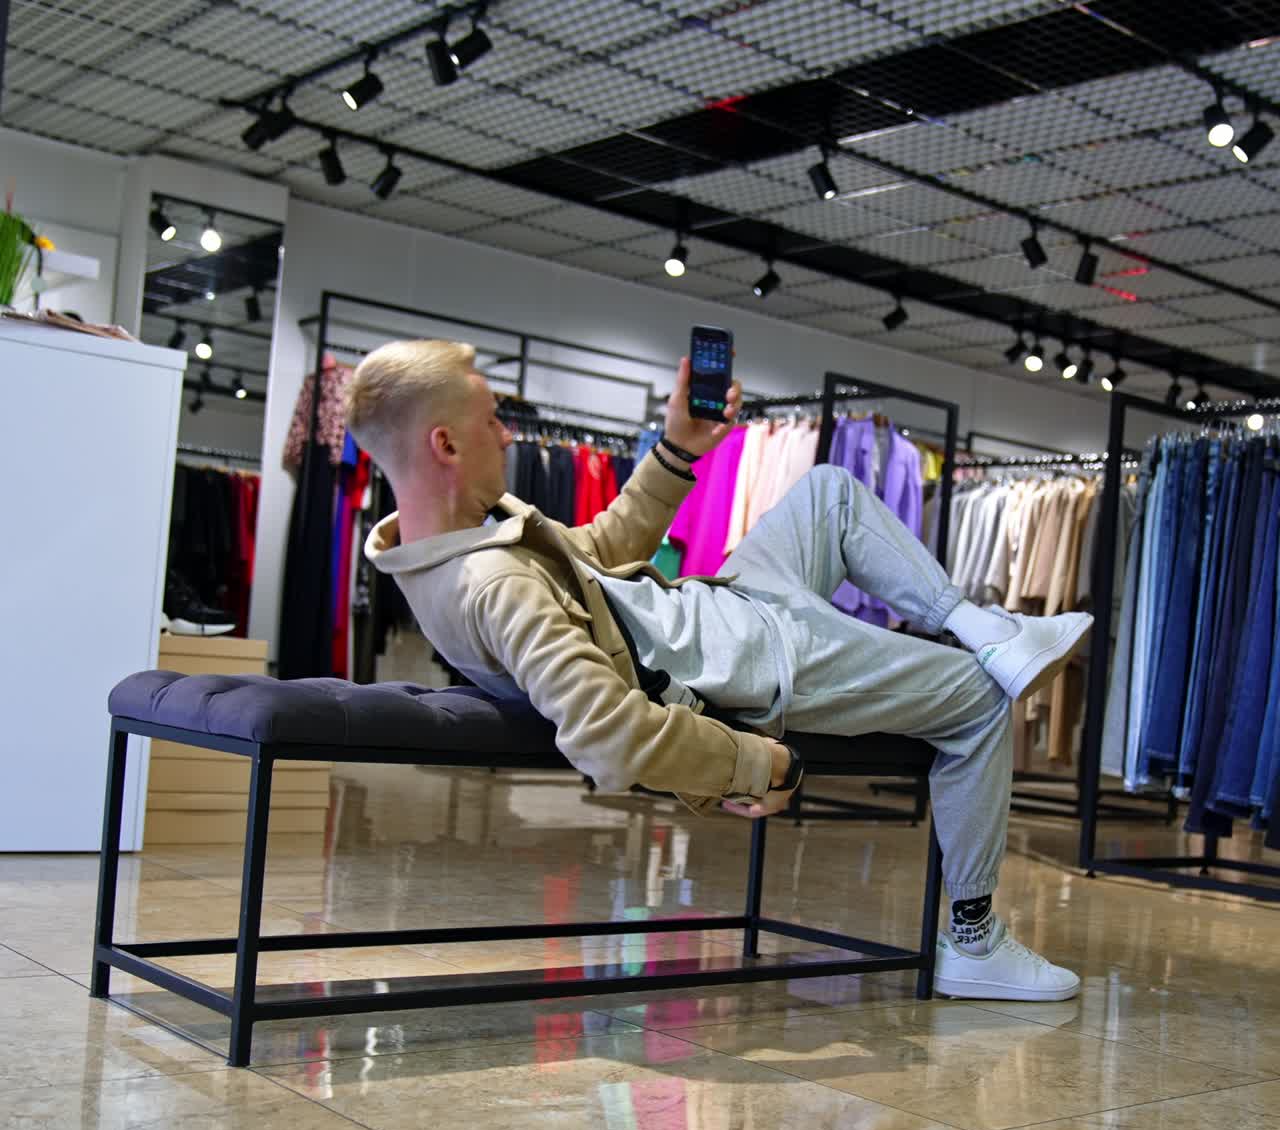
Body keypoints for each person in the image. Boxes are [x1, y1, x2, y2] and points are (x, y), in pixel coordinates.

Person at [352, 340, 1092, 1001]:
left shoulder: (462, 540)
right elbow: (607, 732)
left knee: (830, 492)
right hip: (743, 659)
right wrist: (759, 764)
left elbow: (594, 555)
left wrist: (677, 450)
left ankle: (979, 626)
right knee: (982, 698)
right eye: (492, 420)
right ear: (446, 444)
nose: (507, 434)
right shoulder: (489, 585)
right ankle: (973, 938)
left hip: (718, 609)